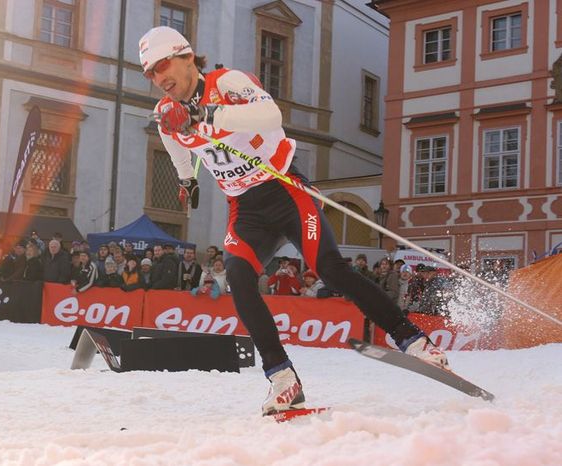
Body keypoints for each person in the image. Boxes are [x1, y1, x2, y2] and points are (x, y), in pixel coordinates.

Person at [139, 25, 449, 415]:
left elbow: (271, 116)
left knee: (330, 269)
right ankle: (283, 379)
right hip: (245, 210)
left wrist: (205, 113)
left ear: (186, 56)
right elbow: (175, 146)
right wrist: (187, 181)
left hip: (284, 190)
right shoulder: (165, 113)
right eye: (149, 72)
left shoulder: (227, 82)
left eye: (162, 64)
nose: (158, 77)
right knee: (238, 278)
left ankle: (414, 341)